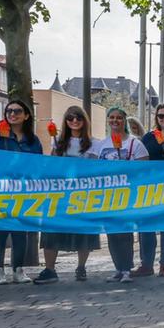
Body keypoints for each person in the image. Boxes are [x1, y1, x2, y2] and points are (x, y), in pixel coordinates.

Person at [33, 107, 99, 283]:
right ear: (65, 121)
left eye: (78, 117)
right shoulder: (58, 142)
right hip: (60, 194)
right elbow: (52, 166)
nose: (75, 121)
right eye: (70, 118)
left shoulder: (94, 143)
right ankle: (50, 269)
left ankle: (81, 267)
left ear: (85, 121)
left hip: (82, 195)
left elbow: (94, 168)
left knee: (83, 231)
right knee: (51, 230)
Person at [0, 99, 43, 284]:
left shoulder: (33, 141)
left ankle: (18, 269)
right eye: (9, 111)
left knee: (20, 231)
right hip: (0, 191)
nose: (12, 114)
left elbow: (38, 165)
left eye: (17, 111)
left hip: (23, 192)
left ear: (26, 115)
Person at [94, 107, 148, 283]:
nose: (115, 120)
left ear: (124, 121)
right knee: (111, 232)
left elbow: (143, 171)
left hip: (127, 196)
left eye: (119, 118)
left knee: (124, 232)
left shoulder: (135, 144)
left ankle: (126, 269)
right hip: (107, 196)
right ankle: (118, 267)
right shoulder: (101, 145)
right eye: (112, 117)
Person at [136, 103, 164, 277]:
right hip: (149, 187)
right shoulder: (148, 137)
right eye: (160, 116)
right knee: (145, 226)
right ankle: (146, 263)